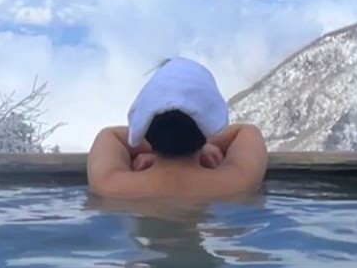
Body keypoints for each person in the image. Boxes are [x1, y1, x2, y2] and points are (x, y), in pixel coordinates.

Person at [87, 57, 268, 199]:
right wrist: (203, 145)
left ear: (145, 126)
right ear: (206, 125)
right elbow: (246, 132)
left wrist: (157, 147)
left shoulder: (111, 185)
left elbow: (110, 136)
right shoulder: (236, 183)